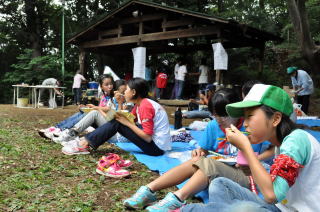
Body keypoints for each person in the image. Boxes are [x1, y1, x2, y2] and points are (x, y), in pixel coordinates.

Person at [123, 88, 272, 211]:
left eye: (224, 115)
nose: (220, 120)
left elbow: (272, 148)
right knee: (198, 159)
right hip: (220, 169)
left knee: (208, 164)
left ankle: (177, 198)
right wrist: (199, 152)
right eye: (215, 115)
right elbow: (204, 149)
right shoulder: (214, 126)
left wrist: (255, 157)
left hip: (244, 173)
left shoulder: (249, 127)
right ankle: (148, 190)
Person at [181, 84, 320, 212]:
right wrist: (251, 169)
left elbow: (271, 195)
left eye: (250, 117)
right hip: (281, 207)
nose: (245, 124)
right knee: (220, 184)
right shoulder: (280, 145)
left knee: (244, 208)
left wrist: (247, 149)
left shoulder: (296, 140)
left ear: (276, 119)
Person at [61, 78, 171, 157]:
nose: (124, 93)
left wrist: (126, 123)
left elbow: (147, 137)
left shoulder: (145, 105)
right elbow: (121, 118)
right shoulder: (140, 104)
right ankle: (82, 140)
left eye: (126, 90)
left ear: (133, 92)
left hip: (156, 148)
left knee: (117, 122)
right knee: (116, 121)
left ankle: (83, 143)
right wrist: (117, 104)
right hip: (155, 145)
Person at [38, 74, 115, 140]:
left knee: (88, 113)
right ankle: (57, 128)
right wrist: (87, 107)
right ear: (101, 86)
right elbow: (100, 108)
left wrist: (95, 107)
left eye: (111, 84)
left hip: (106, 121)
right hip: (99, 117)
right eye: (106, 84)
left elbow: (109, 109)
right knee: (83, 112)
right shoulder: (103, 96)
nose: (110, 86)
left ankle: (62, 130)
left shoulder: (115, 95)